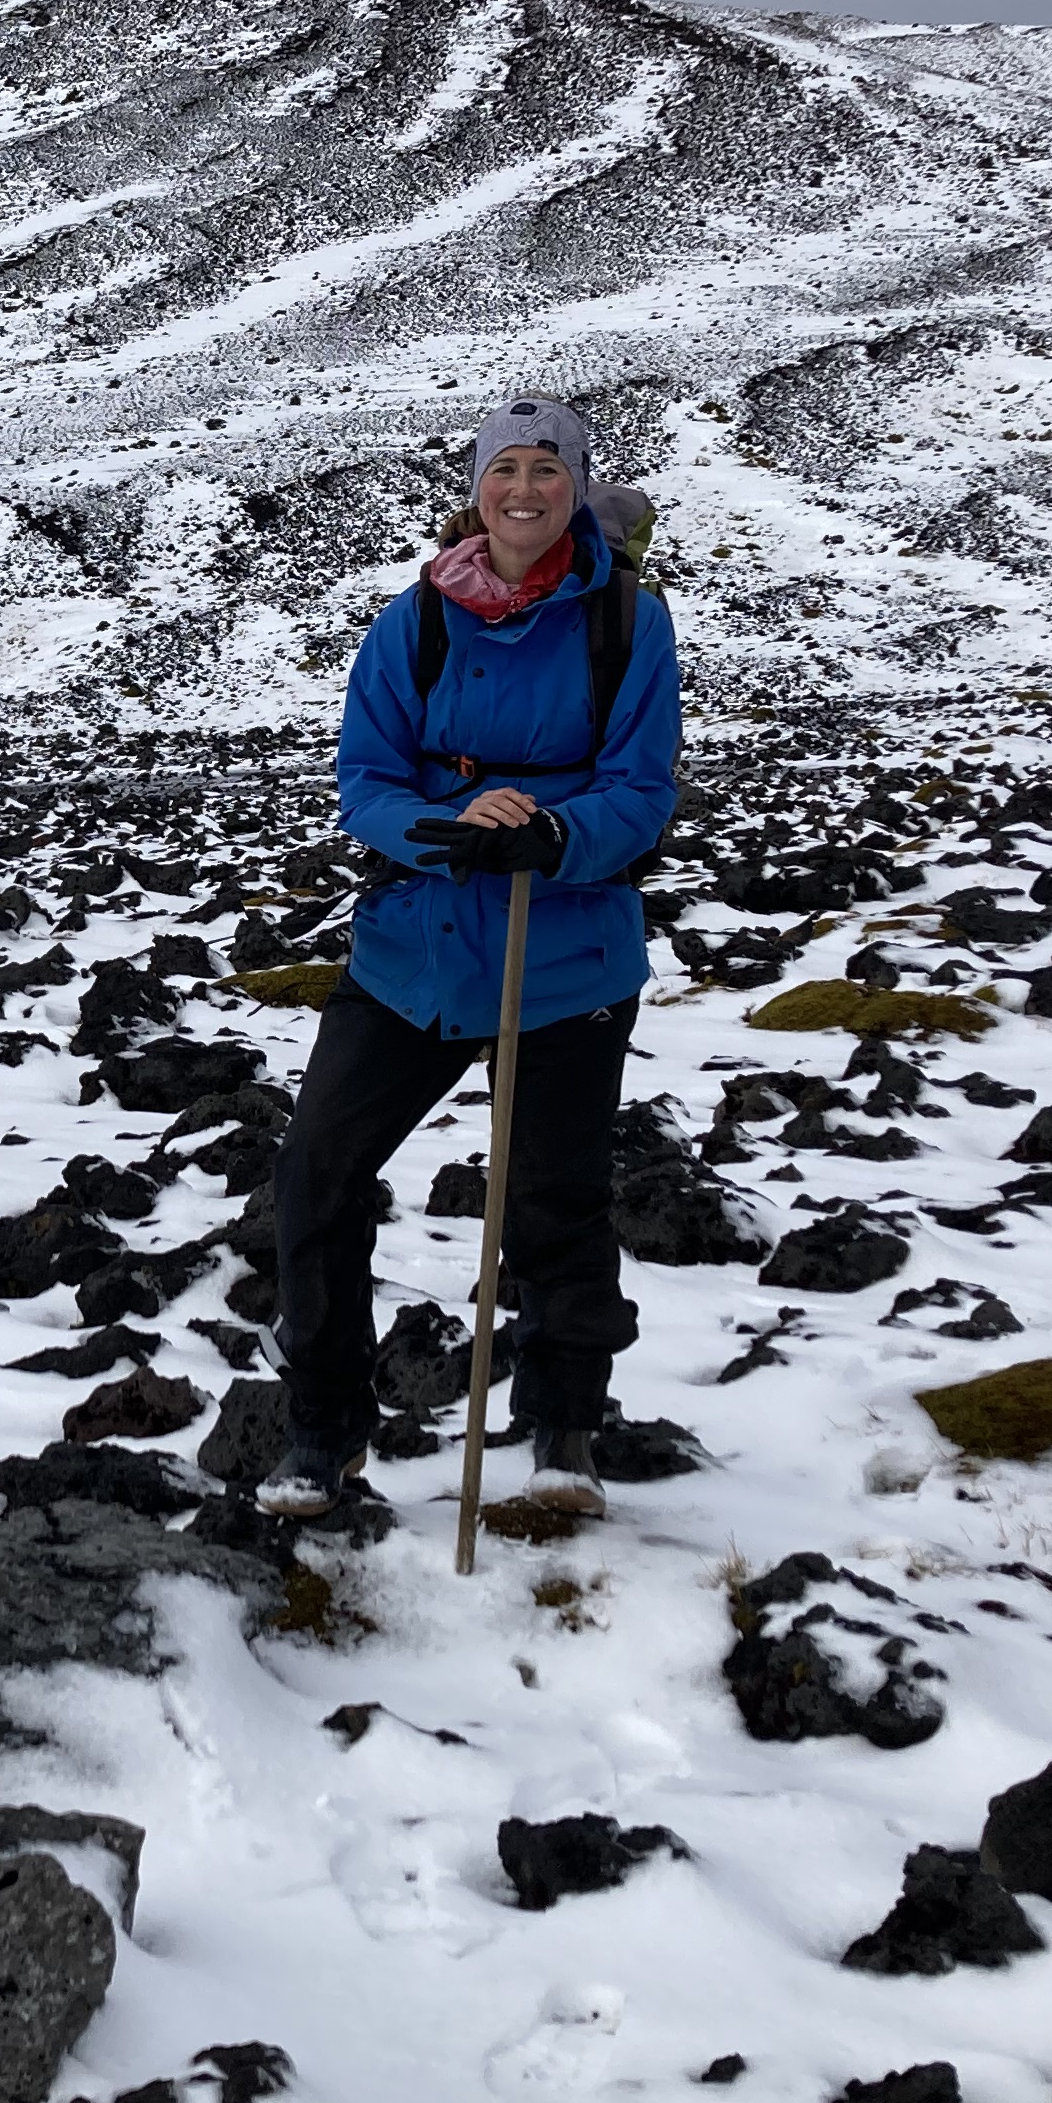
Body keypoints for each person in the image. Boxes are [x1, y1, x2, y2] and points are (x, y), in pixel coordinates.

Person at [257, 395, 682, 1519]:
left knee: (555, 1198)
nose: (525, 490)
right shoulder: (416, 619)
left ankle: (563, 1431)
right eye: (506, 469)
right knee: (317, 1176)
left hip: (567, 951)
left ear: (575, 487)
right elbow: (366, 777)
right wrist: (444, 827)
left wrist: (557, 834)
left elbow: (642, 788)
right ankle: (322, 1431)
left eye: (547, 469)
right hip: (419, 944)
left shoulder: (629, 622)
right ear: (478, 486)